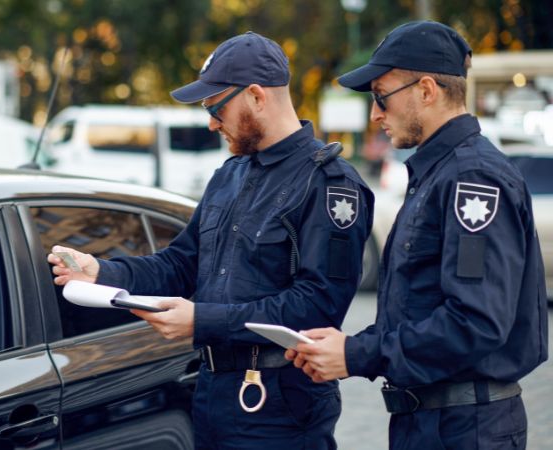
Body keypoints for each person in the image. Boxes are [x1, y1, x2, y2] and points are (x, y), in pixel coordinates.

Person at [48, 31, 373, 449]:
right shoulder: (229, 175)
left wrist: (202, 320)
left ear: (257, 96)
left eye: (216, 106)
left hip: (280, 404)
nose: (211, 122)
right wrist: (103, 271)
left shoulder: (328, 183)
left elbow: (316, 305)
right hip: (212, 391)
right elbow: (180, 264)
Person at [287, 21, 548, 449]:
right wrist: (352, 347)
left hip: (465, 428)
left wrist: (356, 354)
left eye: (381, 97)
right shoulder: (439, 172)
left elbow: (475, 323)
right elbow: (420, 307)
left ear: (426, 90)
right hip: (431, 422)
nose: (375, 114)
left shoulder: (472, 178)